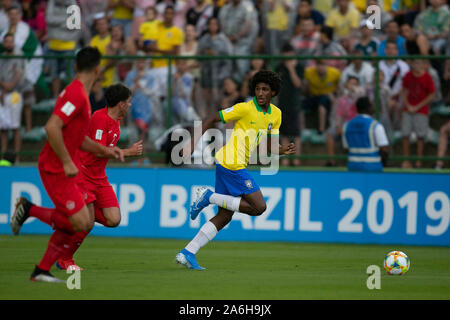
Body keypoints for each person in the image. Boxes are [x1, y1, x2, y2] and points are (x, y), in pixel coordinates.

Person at [9, 47, 124, 283]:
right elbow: (52, 127)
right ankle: (29, 210)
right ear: (97, 69)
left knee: (81, 222)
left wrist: (105, 150)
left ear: (75, 67)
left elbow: (78, 138)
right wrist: (66, 161)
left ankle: (41, 270)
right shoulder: (76, 95)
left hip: (63, 166)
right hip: (56, 167)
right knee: (82, 222)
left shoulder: (79, 93)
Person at [175, 70, 296, 270]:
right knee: (259, 207)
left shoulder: (276, 114)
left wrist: (282, 150)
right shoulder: (245, 108)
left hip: (229, 164)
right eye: (257, 88)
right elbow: (210, 118)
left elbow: (269, 146)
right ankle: (208, 196)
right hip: (232, 163)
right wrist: (191, 142)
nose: (260, 92)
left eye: (265, 89)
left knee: (224, 216)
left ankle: (188, 252)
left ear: (273, 92)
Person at [55, 84, 144, 270]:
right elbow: (98, 152)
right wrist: (128, 152)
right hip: (84, 174)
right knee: (86, 224)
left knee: (113, 220)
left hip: (99, 177)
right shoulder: (99, 118)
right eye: (128, 102)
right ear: (120, 104)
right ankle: (65, 259)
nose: (130, 105)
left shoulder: (117, 120)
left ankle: (72, 215)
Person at [401, 59, 435, 169]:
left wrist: (417, 107)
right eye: (415, 63)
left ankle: (419, 161)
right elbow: (403, 91)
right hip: (408, 109)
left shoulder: (427, 77)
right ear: (411, 64)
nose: (417, 65)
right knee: (405, 134)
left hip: (421, 110)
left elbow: (431, 95)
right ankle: (406, 161)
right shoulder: (407, 76)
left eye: (419, 63)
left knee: (421, 136)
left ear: (424, 65)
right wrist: (408, 105)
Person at [342, 96, 390, 171]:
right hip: (373, 167)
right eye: (371, 105)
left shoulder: (346, 125)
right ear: (368, 108)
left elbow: (346, 148)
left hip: (353, 166)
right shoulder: (375, 126)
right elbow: (384, 149)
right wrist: (383, 163)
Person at [197, 16, 233, 116]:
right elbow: (198, 55)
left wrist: (216, 54)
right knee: (207, 101)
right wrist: (205, 53)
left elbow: (229, 57)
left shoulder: (223, 39)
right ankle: (208, 124)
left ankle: (219, 125)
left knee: (220, 102)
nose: (212, 26)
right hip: (206, 74)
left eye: (215, 24)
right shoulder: (204, 39)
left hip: (220, 75)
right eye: (210, 24)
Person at [275, 43, 303, 166]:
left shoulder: (299, 67)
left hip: (295, 105)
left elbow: (298, 84)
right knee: (284, 133)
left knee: (296, 134)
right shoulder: (279, 67)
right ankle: (285, 159)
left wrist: (291, 69)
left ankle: (296, 160)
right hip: (282, 104)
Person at [326, 76, 363, 167]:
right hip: (343, 126)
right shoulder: (341, 100)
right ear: (346, 85)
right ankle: (332, 162)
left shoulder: (361, 98)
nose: (352, 86)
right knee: (330, 133)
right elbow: (337, 115)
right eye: (350, 83)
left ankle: (355, 162)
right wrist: (338, 127)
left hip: (356, 126)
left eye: (355, 84)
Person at [0, 33, 24, 161]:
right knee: (3, 128)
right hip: (2, 95)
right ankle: (3, 156)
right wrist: (4, 89)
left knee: (15, 127)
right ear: (4, 44)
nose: (9, 44)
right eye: (6, 42)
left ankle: (17, 157)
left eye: (11, 41)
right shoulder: (2, 58)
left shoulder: (18, 57)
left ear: (14, 43)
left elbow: (16, 78)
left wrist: (6, 86)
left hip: (15, 95)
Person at [302, 59, 341, 134]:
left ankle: (321, 130)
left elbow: (339, 86)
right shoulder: (308, 72)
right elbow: (304, 87)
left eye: (323, 65)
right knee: (301, 105)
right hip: (313, 96)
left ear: (326, 66)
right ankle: (303, 130)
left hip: (326, 96)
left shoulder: (335, 73)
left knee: (322, 106)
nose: (321, 67)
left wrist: (335, 95)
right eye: (319, 65)